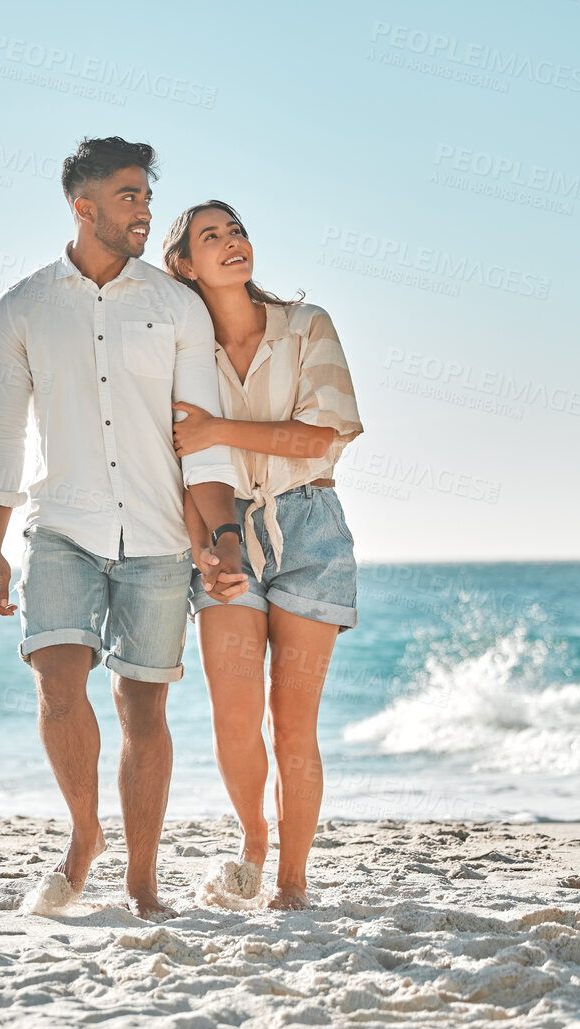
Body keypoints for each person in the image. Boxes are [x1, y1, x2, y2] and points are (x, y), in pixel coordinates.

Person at [0, 139, 247, 922]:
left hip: (159, 533)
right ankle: (85, 833)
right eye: (128, 196)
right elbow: (0, 430)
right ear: (82, 205)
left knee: (143, 707)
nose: (145, 211)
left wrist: (221, 535)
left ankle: (142, 878)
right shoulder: (23, 306)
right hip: (60, 525)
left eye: (147, 197)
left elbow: (200, 436)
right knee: (58, 683)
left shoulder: (176, 306)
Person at [161, 200, 365, 911]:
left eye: (237, 231)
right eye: (210, 237)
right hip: (222, 525)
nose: (231, 243)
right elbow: (181, 458)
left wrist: (222, 426)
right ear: (184, 264)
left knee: (292, 721)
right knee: (234, 713)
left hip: (309, 526)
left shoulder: (307, 327)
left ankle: (292, 878)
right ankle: (253, 836)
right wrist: (201, 540)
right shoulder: (182, 350)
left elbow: (321, 439)